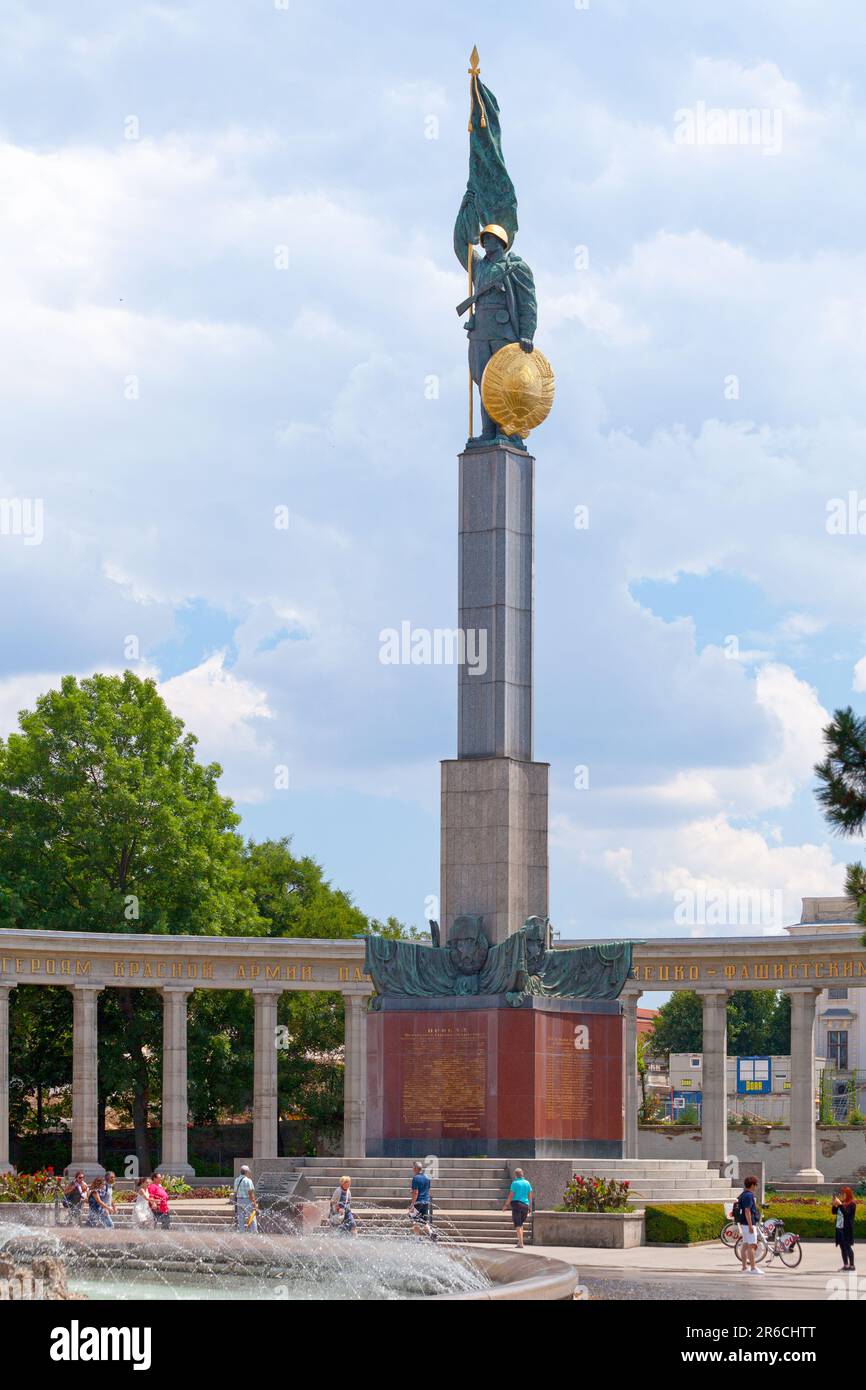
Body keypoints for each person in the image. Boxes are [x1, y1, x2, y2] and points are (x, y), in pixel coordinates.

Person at [735, 1175, 763, 1275]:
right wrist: (751, 1226)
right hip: (748, 1224)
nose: (756, 1187)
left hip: (743, 1223)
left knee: (745, 1245)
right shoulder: (749, 1195)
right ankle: (753, 1268)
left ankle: (744, 1267)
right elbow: (747, 1211)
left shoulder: (743, 1194)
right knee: (752, 1245)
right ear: (752, 1185)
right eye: (755, 1185)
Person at [503, 1168, 533, 1248]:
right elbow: (530, 1196)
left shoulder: (514, 1183)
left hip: (516, 1204)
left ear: (515, 1175)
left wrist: (506, 1205)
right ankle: (520, 1242)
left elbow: (511, 1195)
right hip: (525, 1205)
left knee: (518, 1225)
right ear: (522, 1174)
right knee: (521, 1224)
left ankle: (521, 1243)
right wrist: (530, 1207)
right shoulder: (527, 1183)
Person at [408, 1161, 437, 1240]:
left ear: (416, 1169)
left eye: (413, 1167)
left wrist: (412, 1204)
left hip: (418, 1202)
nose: (412, 1169)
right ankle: (431, 1233)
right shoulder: (427, 1177)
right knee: (424, 1221)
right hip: (425, 1202)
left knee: (413, 1219)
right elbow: (428, 1190)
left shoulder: (415, 1178)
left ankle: (417, 1239)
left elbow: (416, 1193)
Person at [832, 1186, 857, 1271]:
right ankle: (846, 1265)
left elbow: (846, 1214)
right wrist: (834, 1204)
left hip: (846, 1228)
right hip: (839, 1227)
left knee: (847, 1246)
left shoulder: (852, 1204)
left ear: (848, 1194)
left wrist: (840, 1205)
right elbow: (834, 1212)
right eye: (842, 1194)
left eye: (844, 1194)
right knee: (842, 1247)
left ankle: (852, 1265)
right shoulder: (842, 1203)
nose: (842, 1195)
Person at [234, 1165, 259, 1233]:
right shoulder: (248, 1181)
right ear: (246, 1172)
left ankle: (242, 1231)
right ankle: (253, 1231)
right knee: (251, 1216)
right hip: (247, 1200)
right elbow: (251, 1194)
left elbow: (235, 1191)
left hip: (239, 1200)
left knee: (241, 1217)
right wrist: (254, 1203)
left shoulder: (236, 1180)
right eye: (248, 1172)